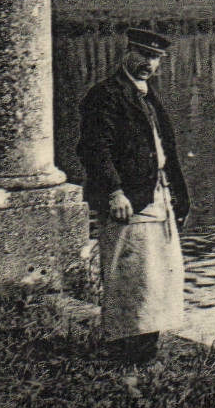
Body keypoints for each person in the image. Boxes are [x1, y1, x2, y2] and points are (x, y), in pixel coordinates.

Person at [77, 27, 190, 365]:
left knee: (157, 276)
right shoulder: (106, 95)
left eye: (155, 58)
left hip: (158, 196)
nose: (148, 63)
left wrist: (177, 196)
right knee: (128, 274)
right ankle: (123, 351)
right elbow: (94, 149)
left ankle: (146, 350)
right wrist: (114, 192)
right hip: (129, 200)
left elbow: (163, 149)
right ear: (126, 52)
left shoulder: (147, 94)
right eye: (143, 54)